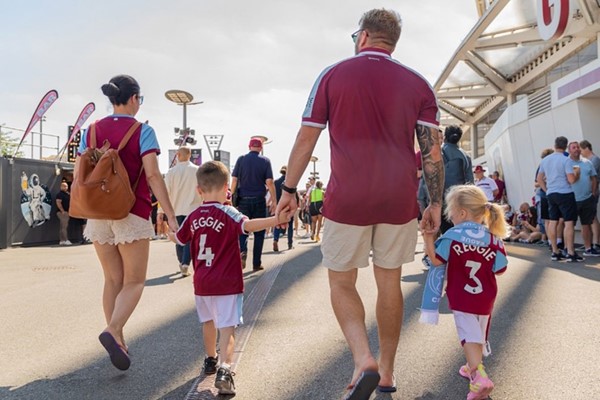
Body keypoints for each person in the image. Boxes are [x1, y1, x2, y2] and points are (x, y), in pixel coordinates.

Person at [275, 9, 444, 399]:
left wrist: (289, 189)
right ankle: (385, 371)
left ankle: (361, 357)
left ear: (364, 36)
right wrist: (434, 202)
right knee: (390, 281)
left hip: (347, 199)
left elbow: (306, 139)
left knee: (341, 281)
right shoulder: (418, 84)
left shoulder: (333, 74)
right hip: (398, 199)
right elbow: (431, 154)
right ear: (393, 41)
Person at [76, 74, 177, 371]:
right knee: (134, 281)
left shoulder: (91, 131)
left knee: (112, 280)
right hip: (131, 211)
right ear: (134, 98)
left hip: (97, 214)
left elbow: (82, 169)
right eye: (140, 99)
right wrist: (169, 214)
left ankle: (118, 338)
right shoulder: (143, 131)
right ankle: (113, 330)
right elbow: (153, 175)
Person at [173, 161, 291, 395]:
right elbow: (248, 225)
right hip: (227, 282)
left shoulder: (194, 216)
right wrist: (275, 220)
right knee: (227, 328)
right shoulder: (228, 212)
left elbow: (179, 238)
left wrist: (168, 230)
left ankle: (210, 359)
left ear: (199, 190)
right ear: (227, 187)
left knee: (207, 322)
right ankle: (225, 369)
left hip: (202, 283)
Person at [422, 185, 508, 400]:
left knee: (468, 335)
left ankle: (479, 378)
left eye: (451, 213)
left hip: (462, 296)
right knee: (477, 333)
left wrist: (427, 238)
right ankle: (472, 366)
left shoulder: (453, 236)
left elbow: (436, 260)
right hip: (486, 297)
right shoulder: (493, 238)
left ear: (462, 213)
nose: (450, 217)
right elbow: (501, 269)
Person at [231, 138, 276, 271]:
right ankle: (256, 263)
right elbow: (269, 182)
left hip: (243, 200)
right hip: (259, 200)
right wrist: (274, 200)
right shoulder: (265, 161)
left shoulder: (241, 159)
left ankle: (242, 252)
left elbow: (234, 180)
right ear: (261, 148)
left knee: (243, 229)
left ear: (249, 146)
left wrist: (229, 195)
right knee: (259, 232)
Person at [536, 136, 583, 262]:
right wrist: (577, 173)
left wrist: (547, 190)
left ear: (555, 145)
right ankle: (571, 252)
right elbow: (571, 180)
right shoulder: (565, 160)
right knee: (568, 223)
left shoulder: (545, 160)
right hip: (565, 193)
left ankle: (555, 251)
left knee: (553, 221)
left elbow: (539, 179)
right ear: (566, 146)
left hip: (551, 194)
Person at [165, 145, 203, 276]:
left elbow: (165, 193)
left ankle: (182, 261)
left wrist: (161, 212)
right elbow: (202, 191)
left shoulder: (171, 172)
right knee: (190, 238)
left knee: (178, 236)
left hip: (175, 210)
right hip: (193, 209)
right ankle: (186, 263)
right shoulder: (198, 171)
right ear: (190, 155)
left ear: (178, 155)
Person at [568, 141, 599, 256]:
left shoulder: (587, 162)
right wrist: (576, 175)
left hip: (587, 198)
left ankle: (588, 249)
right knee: (569, 224)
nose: (576, 149)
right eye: (573, 147)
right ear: (569, 150)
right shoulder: (566, 164)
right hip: (572, 199)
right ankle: (569, 250)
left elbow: (594, 178)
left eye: (577, 147)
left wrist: (593, 192)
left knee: (586, 224)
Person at [440, 125, 473, 233]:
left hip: (443, 202)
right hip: (461, 201)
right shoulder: (466, 156)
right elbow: (470, 182)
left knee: (445, 235)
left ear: (445, 136)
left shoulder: (440, 152)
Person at [579, 139, 600, 251]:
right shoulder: (587, 161)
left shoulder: (594, 160)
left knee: (592, 217)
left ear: (586, 148)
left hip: (592, 192)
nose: (580, 152)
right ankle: (591, 243)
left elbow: (592, 178)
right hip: (587, 193)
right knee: (589, 218)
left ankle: (596, 242)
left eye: (581, 149)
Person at [273, 165, 296, 251]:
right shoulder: (290, 182)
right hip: (289, 205)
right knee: (290, 225)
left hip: (279, 204)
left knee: (277, 223)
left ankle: (275, 240)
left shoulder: (276, 182)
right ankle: (290, 243)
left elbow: (274, 195)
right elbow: (293, 194)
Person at [55, 181, 73, 246]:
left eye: (67, 186)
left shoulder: (67, 194)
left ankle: (62, 240)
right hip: (62, 212)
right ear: (61, 187)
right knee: (64, 227)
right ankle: (65, 240)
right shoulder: (60, 194)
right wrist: (63, 211)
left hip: (67, 212)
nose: (66, 187)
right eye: (64, 186)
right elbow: (58, 202)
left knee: (62, 226)